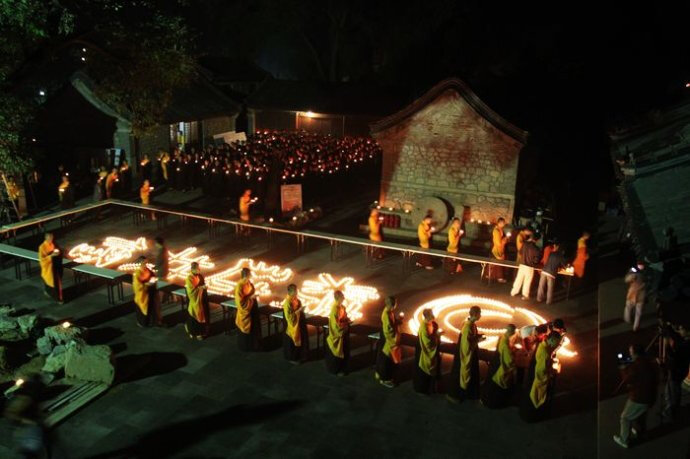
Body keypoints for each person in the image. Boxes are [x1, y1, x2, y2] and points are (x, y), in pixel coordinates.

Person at [613, 344, 659, 448]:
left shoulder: (636, 366)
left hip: (639, 397)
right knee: (640, 415)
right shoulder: (648, 362)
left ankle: (624, 440)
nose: (629, 353)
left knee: (625, 418)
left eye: (631, 352)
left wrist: (623, 369)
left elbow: (628, 380)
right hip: (650, 396)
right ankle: (641, 432)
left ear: (635, 353)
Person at [520, 331, 561, 422]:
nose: (558, 345)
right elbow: (541, 372)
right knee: (535, 399)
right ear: (552, 340)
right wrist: (552, 372)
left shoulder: (542, 345)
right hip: (537, 381)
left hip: (532, 376)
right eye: (557, 342)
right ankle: (533, 416)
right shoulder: (544, 353)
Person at [4, 373, 49, 458]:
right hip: (26, 433)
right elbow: (10, 414)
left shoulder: (31, 399)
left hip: (31, 434)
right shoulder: (24, 399)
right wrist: (27, 421)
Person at [448, 305, 484, 402]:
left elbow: (471, 338)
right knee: (460, 375)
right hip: (464, 356)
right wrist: (478, 341)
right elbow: (466, 346)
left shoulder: (472, 324)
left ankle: (468, 395)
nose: (481, 315)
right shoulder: (467, 327)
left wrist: (477, 337)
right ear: (475, 314)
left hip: (471, 354)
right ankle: (456, 396)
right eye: (480, 313)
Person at [482, 324, 517, 408]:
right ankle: (493, 403)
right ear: (511, 332)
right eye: (513, 331)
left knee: (491, 382)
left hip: (495, 363)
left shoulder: (502, 337)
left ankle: (487, 399)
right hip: (500, 367)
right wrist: (513, 360)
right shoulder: (505, 343)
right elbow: (508, 360)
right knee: (496, 386)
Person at [661, 322, 690, 423]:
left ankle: (671, 414)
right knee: (672, 391)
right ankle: (672, 411)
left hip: (676, 372)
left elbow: (674, 358)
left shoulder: (685, 345)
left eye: (681, 329)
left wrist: (668, 348)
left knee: (672, 393)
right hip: (680, 370)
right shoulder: (685, 342)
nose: (679, 330)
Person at [375, 296, 402, 388]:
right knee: (385, 359)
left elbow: (391, 325)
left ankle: (382, 374)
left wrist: (397, 321)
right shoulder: (386, 314)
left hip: (386, 339)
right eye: (395, 303)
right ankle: (384, 378)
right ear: (392, 304)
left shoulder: (389, 312)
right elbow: (388, 330)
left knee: (384, 358)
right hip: (387, 340)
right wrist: (394, 341)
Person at [414, 308, 441, 394]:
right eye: (431, 313)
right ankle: (424, 389)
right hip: (425, 354)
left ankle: (431, 388)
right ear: (427, 315)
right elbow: (428, 343)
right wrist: (436, 335)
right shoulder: (424, 327)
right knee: (424, 372)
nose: (433, 315)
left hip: (431, 352)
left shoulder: (431, 323)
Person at [325, 290, 350, 375]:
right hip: (336, 336)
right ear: (338, 298)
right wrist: (344, 326)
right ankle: (335, 370)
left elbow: (344, 318)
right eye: (342, 296)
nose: (344, 298)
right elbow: (335, 325)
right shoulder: (334, 310)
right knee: (336, 353)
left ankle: (342, 368)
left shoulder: (342, 307)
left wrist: (347, 320)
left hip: (342, 334)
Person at [511, 233, 541, 300]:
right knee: (527, 281)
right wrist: (534, 262)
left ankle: (513, 292)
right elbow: (537, 259)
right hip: (529, 267)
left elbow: (520, 252)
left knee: (518, 279)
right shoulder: (536, 248)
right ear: (537, 240)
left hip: (522, 265)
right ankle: (525, 295)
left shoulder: (524, 244)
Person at [282, 283, 307, 363]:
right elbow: (289, 318)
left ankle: (299, 356)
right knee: (292, 342)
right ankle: (292, 359)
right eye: (295, 291)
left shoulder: (295, 299)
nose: (297, 292)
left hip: (298, 323)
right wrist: (299, 310)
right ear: (291, 291)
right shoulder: (287, 303)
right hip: (292, 326)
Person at [235, 267, 259, 351]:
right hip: (245, 311)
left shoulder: (248, 282)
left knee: (253, 329)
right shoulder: (240, 286)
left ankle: (253, 345)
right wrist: (251, 298)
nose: (251, 275)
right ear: (246, 275)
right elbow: (240, 302)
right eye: (250, 274)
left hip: (252, 309)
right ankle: (245, 347)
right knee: (245, 332)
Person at [185, 262, 209, 340]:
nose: (199, 270)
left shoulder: (200, 276)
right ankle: (192, 332)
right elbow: (191, 292)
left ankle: (200, 333)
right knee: (193, 318)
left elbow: (202, 284)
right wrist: (201, 288)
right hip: (193, 301)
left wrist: (204, 287)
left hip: (200, 300)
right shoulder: (189, 278)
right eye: (198, 269)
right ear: (193, 269)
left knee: (201, 317)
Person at [38, 233, 63, 303]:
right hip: (49, 269)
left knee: (53, 283)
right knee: (53, 284)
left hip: (55, 266)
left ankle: (49, 292)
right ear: (46, 238)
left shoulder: (52, 244)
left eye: (51, 238)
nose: (50, 240)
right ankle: (58, 299)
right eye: (49, 238)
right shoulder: (42, 247)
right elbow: (42, 260)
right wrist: (51, 256)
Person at [132, 256, 156, 327]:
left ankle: (148, 321)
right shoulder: (137, 273)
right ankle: (142, 323)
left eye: (147, 262)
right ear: (141, 263)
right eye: (145, 262)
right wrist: (147, 284)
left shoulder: (147, 270)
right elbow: (137, 286)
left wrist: (153, 277)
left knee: (149, 309)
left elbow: (152, 274)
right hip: (142, 296)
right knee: (142, 311)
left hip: (149, 293)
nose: (146, 264)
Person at [623, 262, 646, 332]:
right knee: (632, 310)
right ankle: (630, 322)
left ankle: (633, 325)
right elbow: (627, 279)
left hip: (637, 295)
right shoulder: (635, 272)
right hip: (634, 294)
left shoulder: (642, 273)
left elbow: (626, 280)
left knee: (634, 310)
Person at [490, 217, 509, 283]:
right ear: (499, 223)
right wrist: (505, 239)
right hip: (496, 250)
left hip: (500, 249)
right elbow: (498, 243)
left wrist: (505, 238)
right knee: (499, 265)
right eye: (503, 223)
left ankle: (491, 275)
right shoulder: (496, 230)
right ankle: (499, 278)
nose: (504, 224)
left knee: (497, 264)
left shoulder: (500, 229)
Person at [154, 236, 169, 304]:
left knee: (161, 286)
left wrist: (155, 268)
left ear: (158, 244)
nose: (155, 245)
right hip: (164, 270)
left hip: (161, 272)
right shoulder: (164, 249)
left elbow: (159, 261)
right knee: (164, 284)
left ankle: (161, 300)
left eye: (155, 243)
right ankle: (167, 298)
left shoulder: (161, 252)